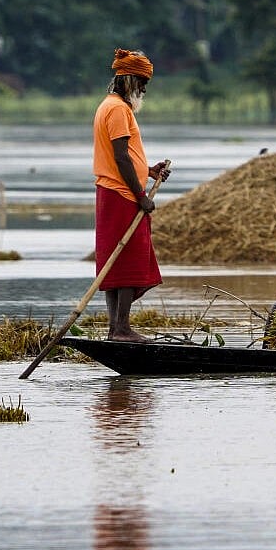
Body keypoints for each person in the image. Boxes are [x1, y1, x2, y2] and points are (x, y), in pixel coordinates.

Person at [93, 48, 171, 343]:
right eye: (141, 83)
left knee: (115, 261)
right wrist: (140, 195)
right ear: (129, 81)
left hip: (115, 191)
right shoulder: (117, 110)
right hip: (122, 194)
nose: (144, 89)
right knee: (126, 260)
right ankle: (122, 329)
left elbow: (127, 158)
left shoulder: (111, 106)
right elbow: (121, 158)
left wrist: (149, 171)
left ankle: (116, 329)